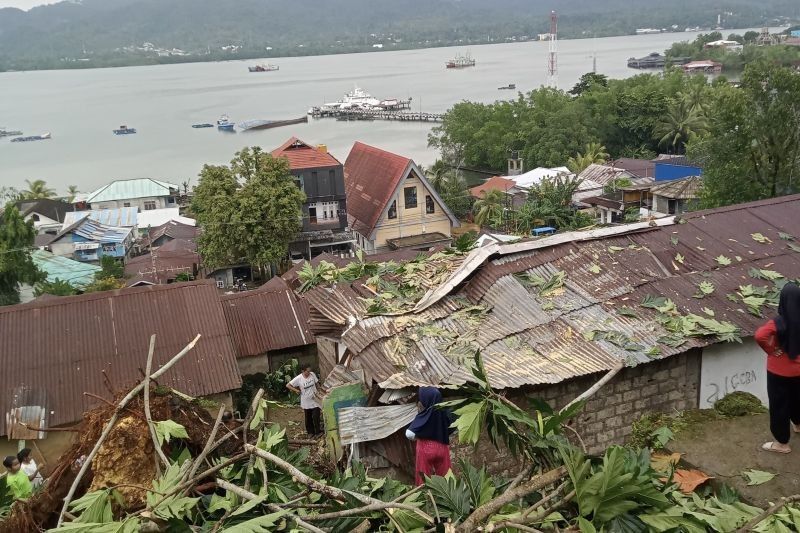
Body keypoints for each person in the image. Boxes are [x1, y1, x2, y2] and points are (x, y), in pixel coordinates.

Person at [755, 282, 800, 454]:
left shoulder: (779, 321)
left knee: (779, 405)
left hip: (778, 371)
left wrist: (772, 349)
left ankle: (782, 444)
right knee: (798, 398)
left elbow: (760, 335)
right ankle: (798, 425)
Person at [405, 387, 454, 485]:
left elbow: (409, 434)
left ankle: (424, 497)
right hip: (442, 448)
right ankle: (448, 498)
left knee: (423, 478)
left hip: (425, 449)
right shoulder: (444, 413)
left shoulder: (424, 415)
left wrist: (418, 436)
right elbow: (453, 425)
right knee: (446, 477)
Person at [287, 365, 323, 437]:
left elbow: (316, 383)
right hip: (306, 401)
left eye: (310, 371)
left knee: (316, 416)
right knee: (308, 417)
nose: (309, 373)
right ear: (303, 371)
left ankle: (318, 432)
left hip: (315, 398)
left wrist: (320, 390)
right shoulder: (299, 378)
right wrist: (296, 390)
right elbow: (288, 385)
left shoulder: (312, 374)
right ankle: (310, 432)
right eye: (307, 371)